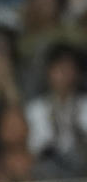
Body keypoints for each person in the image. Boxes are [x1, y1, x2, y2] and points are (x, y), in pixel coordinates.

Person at [25, 43, 87, 174]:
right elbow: (36, 146)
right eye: (59, 69)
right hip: (49, 167)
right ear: (48, 72)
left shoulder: (84, 104)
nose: (64, 74)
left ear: (77, 72)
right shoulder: (36, 109)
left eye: (69, 68)